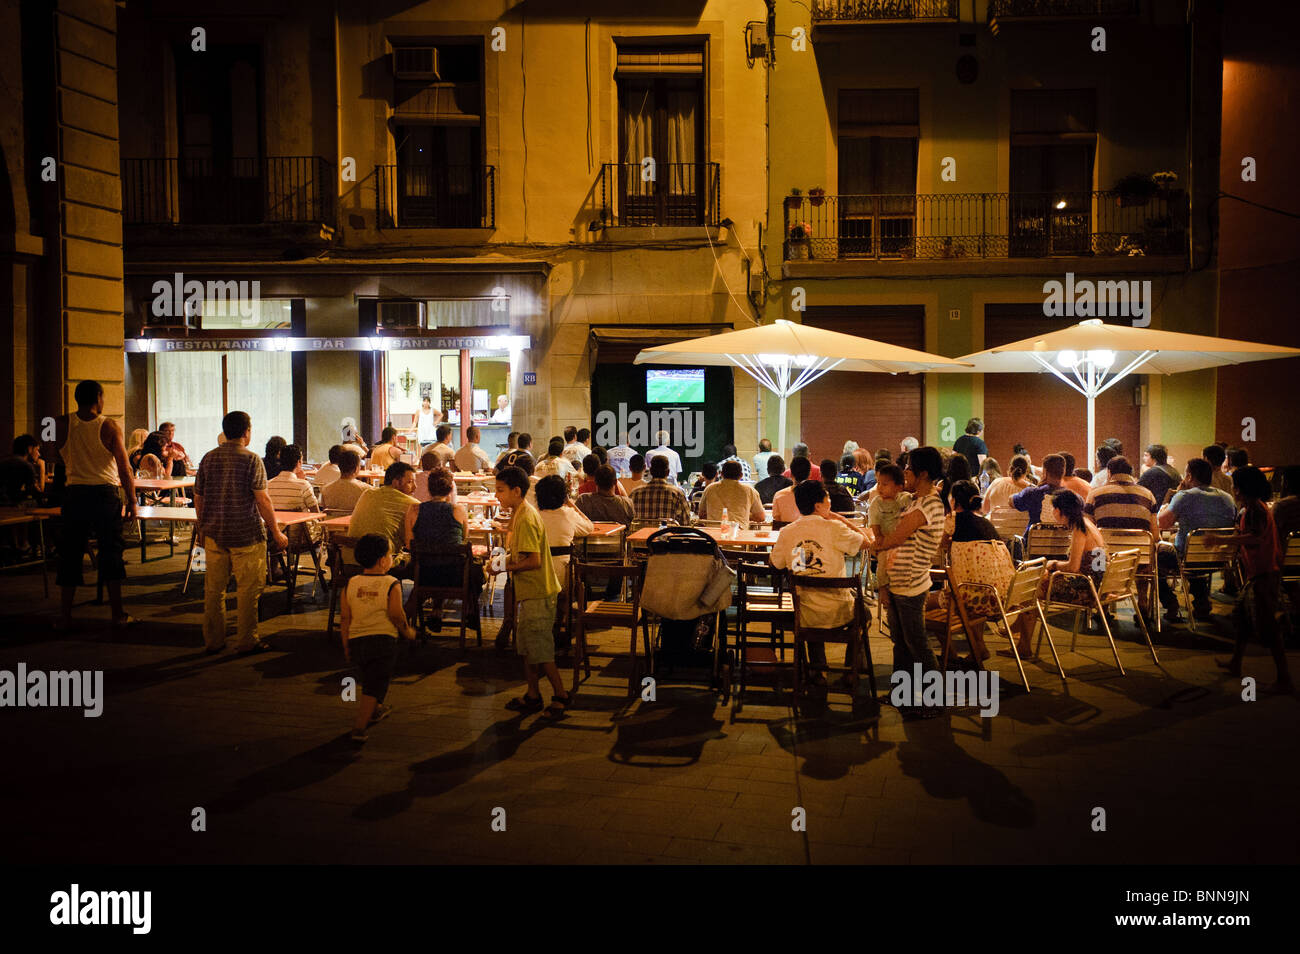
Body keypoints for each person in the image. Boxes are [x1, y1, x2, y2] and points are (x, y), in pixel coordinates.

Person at [194, 410, 288, 654]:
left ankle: (213, 641)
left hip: (214, 533)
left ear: (225, 431)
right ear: (247, 432)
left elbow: (199, 497)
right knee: (248, 590)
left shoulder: (208, 458)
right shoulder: (251, 459)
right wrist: (276, 531)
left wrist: (201, 527)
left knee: (214, 590)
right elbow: (263, 500)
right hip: (246, 533)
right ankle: (246, 640)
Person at [54, 381, 138, 632]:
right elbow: (124, 466)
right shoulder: (110, 425)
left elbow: (51, 453)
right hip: (104, 493)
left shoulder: (59, 423)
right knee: (111, 552)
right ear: (99, 398)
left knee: (70, 553)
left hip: (74, 493)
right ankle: (117, 614)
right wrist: (132, 499)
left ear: (76, 398)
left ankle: (65, 617)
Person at [769, 478, 870, 685]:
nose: (830, 502)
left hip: (805, 616)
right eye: (828, 498)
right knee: (865, 614)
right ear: (818, 505)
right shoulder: (834, 527)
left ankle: (818, 671)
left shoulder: (788, 532)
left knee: (809, 602)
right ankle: (851, 670)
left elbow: (775, 564)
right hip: (840, 612)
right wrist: (840, 519)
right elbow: (868, 542)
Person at [869, 446, 946, 718]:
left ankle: (935, 700)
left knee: (917, 644)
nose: (905, 472)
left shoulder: (930, 504)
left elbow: (897, 537)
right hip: (900, 582)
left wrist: (874, 545)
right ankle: (901, 694)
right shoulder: (915, 500)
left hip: (912, 585)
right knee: (900, 643)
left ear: (923, 473)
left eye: (910, 468)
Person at [497, 466, 572, 716]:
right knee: (528, 647)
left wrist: (503, 566)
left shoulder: (527, 517)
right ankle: (532, 694)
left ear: (516, 491)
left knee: (541, 649)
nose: (497, 495)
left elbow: (534, 561)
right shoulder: (520, 513)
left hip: (540, 593)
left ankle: (560, 695)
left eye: (500, 490)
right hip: (529, 593)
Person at [1211, 467, 1292, 693]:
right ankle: (1236, 662)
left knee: (1268, 627)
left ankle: (1285, 679)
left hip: (1264, 574)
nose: (1233, 489)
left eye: (1235, 485)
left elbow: (1255, 538)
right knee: (1243, 620)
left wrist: (1222, 540)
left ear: (1241, 488)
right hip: (1259, 573)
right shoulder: (1255, 507)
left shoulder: (1255, 509)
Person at [340, 533, 417, 743]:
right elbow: (396, 613)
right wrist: (407, 630)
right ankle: (359, 727)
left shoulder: (350, 583)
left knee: (371, 679)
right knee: (375, 684)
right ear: (384, 560)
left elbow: (345, 617)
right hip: (382, 641)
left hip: (357, 640)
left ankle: (376, 708)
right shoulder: (391, 583)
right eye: (391, 554)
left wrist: (346, 644)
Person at [1015, 490, 1110, 657]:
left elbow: (1073, 568)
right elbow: (1096, 564)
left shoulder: (1080, 530)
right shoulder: (1089, 524)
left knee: (1031, 589)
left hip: (1086, 590)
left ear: (1058, 510)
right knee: (1039, 581)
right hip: (1097, 585)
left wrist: (1054, 565)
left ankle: (1023, 645)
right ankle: (1016, 629)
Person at [933, 480, 1009, 663]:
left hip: (978, 597)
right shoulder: (985, 523)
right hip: (1005, 597)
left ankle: (949, 655)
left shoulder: (953, 519)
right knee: (975, 590)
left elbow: (939, 545)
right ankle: (978, 648)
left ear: (954, 502)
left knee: (925, 604)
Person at [1157, 457, 1236, 621]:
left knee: (1154, 557)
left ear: (1190, 476)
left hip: (1187, 558)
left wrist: (1176, 496)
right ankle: (1201, 604)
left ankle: (1170, 602)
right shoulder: (1228, 498)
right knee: (1193, 555)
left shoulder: (1184, 496)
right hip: (1219, 558)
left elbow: (1162, 523)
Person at [405, 467, 483, 630]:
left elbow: (408, 545)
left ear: (428, 488)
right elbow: (463, 540)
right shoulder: (458, 511)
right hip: (454, 576)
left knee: (435, 561)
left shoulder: (414, 510)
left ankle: (433, 612)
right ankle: (470, 610)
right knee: (474, 569)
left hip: (424, 574)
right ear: (451, 488)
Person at [348, 461, 419, 571]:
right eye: (410, 482)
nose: (415, 487)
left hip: (350, 561)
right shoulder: (412, 504)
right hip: (382, 564)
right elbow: (413, 540)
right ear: (396, 483)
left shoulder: (367, 493)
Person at [866, 463, 913, 612]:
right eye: (878, 483)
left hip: (904, 542)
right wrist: (879, 536)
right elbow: (875, 523)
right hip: (886, 541)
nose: (880, 487)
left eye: (885, 484)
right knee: (883, 562)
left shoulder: (905, 499)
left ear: (899, 486)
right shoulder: (876, 503)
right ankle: (883, 588)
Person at [536, 474, 594, 587]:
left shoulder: (533, 516)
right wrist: (571, 504)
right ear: (564, 496)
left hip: (537, 576)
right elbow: (589, 526)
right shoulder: (569, 514)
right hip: (563, 577)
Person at [266, 444, 324, 551]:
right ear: (298, 462)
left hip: (273, 536)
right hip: (299, 538)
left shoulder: (268, 485)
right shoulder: (303, 485)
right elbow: (316, 513)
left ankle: (275, 567)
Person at [1084, 456, 1158, 532]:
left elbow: (1087, 530)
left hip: (1106, 543)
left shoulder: (1095, 495)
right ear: (1131, 473)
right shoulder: (1148, 495)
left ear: (1109, 473)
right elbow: (1154, 534)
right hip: (1140, 543)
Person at [1011, 453, 1070, 532]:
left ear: (1045, 472)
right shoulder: (1073, 498)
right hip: (1064, 544)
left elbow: (1011, 501)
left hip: (1033, 543)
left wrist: (1034, 486)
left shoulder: (1032, 493)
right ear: (1064, 472)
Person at [630, 454, 692, 526]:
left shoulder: (635, 493)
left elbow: (629, 521)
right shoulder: (677, 494)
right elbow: (686, 524)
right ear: (668, 472)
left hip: (640, 537)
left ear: (651, 471)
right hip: (668, 536)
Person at [700, 460, 766, 527]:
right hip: (739, 532)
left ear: (722, 474)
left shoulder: (709, 489)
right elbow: (760, 517)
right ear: (741, 475)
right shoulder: (749, 491)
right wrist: (745, 515)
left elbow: (702, 515)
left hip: (712, 534)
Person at [0, 434, 46, 505]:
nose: (39, 454)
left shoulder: (4, 461)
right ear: (29, 448)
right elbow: (37, 495)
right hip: (7, 506)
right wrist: (42, 468)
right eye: (37, 450)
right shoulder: (26, 466)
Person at [321, 449, 369, 514]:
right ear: (356, 469)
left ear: (339, 467)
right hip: (354, 523)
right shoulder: (365, 490)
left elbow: (324, 510)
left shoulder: (326, 489)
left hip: (331, 523)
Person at [771, 456, 812, 524]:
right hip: (811, 533)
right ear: (810, 474)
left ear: (791, 474)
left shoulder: (779, 495)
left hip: (787, 533)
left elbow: (777, 520)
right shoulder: (818, 494)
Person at [1139, 443, 1181, 508]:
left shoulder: (1152, 472)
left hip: (1157, 510)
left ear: (1154, 458)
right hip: (1172, 510)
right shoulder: (1174, 471)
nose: (1143, 458)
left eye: (1146, 455)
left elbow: (1137, 490)